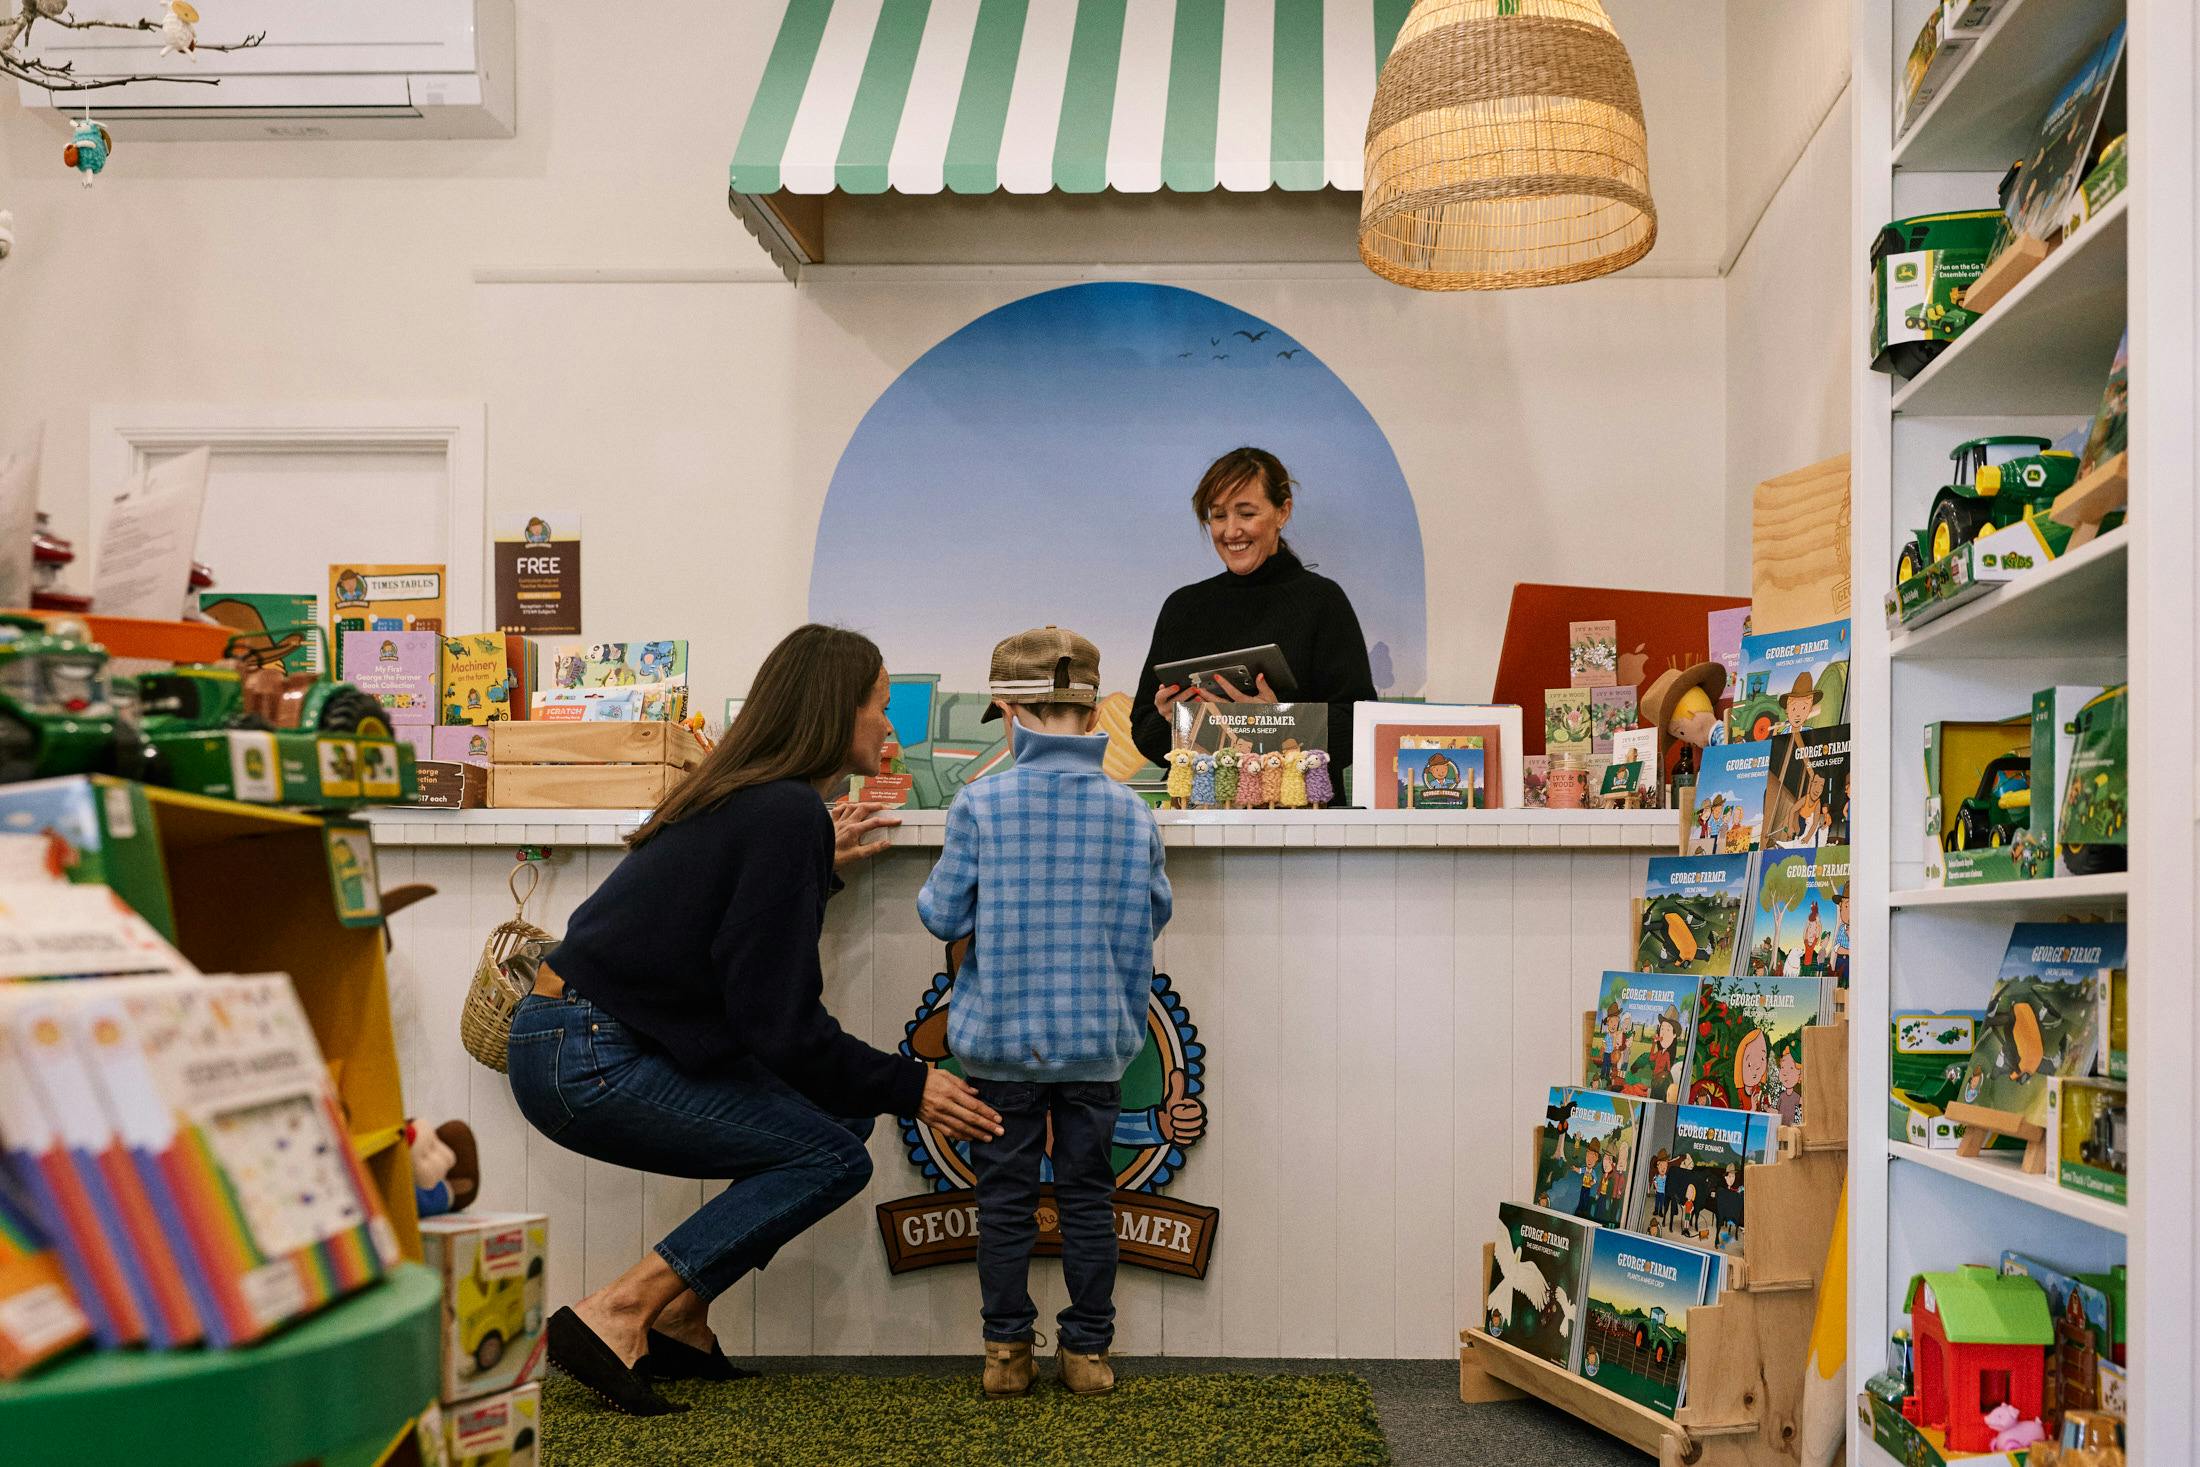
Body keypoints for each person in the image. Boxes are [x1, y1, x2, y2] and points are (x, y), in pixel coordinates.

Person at [505, 625, 1005, 1415]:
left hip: (573, 1035)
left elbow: (726, 942)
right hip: (586, 1053)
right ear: (836, 708)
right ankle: (621, 1311)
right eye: (881, 705)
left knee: (838, 1114)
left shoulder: (762, 804)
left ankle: (680, 1315)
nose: (892, 727)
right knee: (835, 1158)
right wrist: (913, 1084)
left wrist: (814, 866)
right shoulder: (781, 813)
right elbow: (780, 1027)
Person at [915, 626, 1173, 1399]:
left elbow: (939, 912)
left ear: (1006, 708)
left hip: (1000, 1048)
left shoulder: (980, 803)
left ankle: (1006, 1355)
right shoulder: (1130, 812)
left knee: (1005, 1200)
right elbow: (1156, 910)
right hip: (1098, 1044)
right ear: (1095, 718)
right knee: (1092, 1197)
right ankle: (1088, 1355)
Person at [1131, 447, 1378, 792]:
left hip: (1299, 817)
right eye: (1218, 516)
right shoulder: (1183, 607)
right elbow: (1145, 732)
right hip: (1198, 816)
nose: (1231, 531)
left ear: (1283, 512)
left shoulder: (1322, 601)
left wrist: (1272, 723)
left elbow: (1357, 725)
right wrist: (1174, 721)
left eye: (1246, 514)